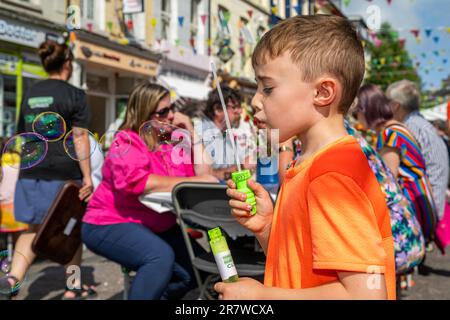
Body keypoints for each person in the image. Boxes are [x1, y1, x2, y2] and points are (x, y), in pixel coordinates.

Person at [217, 15, 396, 300]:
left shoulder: (330, 177)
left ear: (323, 92)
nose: (254, 101)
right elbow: (299, 266)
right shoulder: (308, 164)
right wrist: (267, 228)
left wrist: (261, 297)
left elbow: (365, 296)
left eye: (268, 88)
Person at [81, 82, 218, 300]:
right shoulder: (126, 140)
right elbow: (136, 182)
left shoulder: (171, 141)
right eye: (163, 112)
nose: (172, 116)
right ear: (145, 113)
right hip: (107, 222)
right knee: (159, 257)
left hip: (157, 224)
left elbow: (206, 175)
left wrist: (192, 133)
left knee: (198, 272)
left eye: (171, 108)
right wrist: (192, 180)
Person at [0, 40, 94, 300]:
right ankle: (72, 289)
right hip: (64, 174)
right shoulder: (75, 95)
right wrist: (87, 177)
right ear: (68, 64)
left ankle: (12, 280)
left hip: (31, 172)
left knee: (31, 230)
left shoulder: (30, 92)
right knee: (70, 229)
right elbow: (79, 137)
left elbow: (21, 135)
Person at [355, 84, 438, 248]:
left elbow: (388, 180)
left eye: (356, 111)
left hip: (412, 205)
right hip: (421, 199)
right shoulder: (398, 128)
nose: (355, 116)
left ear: (366, 109)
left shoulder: (390, 133)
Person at [386, 80, 449, 222]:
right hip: (432, 207)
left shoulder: (410, 128)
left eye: (387, 102)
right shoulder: (421, 124)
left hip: (424, 212)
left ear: (395, 105)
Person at [194, 85, 256, 181]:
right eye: (235, 107)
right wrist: (242, 167)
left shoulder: (226, 134)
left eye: (240, 107)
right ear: (218, 109)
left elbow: (245, 159)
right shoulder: (201, 133)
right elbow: (207, 175)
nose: (240, 111)